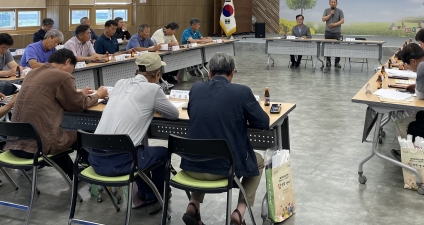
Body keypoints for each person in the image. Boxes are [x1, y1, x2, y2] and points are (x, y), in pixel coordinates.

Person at [181, 53, 269, 225]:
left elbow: (193, 114)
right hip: (223, 171)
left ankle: (193, 205)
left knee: (204, 148)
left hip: (191, 169)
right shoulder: (241, 92)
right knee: (258, 161)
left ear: (210, 72)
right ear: (232, 73)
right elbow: (263, 122)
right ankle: (239, 212)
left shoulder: (196, 89)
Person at [88, 53, 179, 214]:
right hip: (121, 163)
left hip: (95, 160)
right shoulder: (153, 89)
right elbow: (173, 114)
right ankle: (156, 196)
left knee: (139, 151)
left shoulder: (120, 83)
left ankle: (146, 192)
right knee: (162, 153)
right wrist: (155, 106)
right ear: (158, 74)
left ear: (137, 70)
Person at [5, 49, 108, 179]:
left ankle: (73, 172)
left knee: (59, 136)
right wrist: (99, 95)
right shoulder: (62, 76)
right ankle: (96, 173)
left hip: (14, 144)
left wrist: (77, 94)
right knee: (81, 136)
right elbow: (77, 106)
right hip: (37, 147)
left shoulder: (32, 73)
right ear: (68, 61)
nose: (71, 73)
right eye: (72, 69)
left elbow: (48, 96)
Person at [321, 0, 344, 68]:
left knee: (337, 47)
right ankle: (328, 61)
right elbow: (323, 19)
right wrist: (330, 14)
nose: (333, 3)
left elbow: (342, 21)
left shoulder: (340, 11)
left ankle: (337, 62)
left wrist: (334, 24)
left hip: (337, 32)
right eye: (332, 2)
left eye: (334, 2)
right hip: (328, 31)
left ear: (337, 3)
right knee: (328, 47)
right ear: (329, 3)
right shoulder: (326, 10)